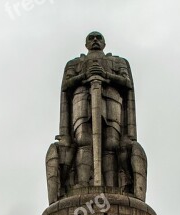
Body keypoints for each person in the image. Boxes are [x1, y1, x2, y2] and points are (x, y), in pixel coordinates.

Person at [59, 31, 137, 188]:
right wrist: (84, 76)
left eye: (99, 38)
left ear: (104, 43)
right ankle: (82, 183)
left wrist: (106, 74)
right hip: (81, 100)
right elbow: (66, 85)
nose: (95, 40)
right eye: (91, 38)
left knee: (111, 144)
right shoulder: (74, 64)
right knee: (83, 141)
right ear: (86, 44)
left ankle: (111, 185)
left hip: (111, 101)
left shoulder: (117, 61)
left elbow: (127, 82)